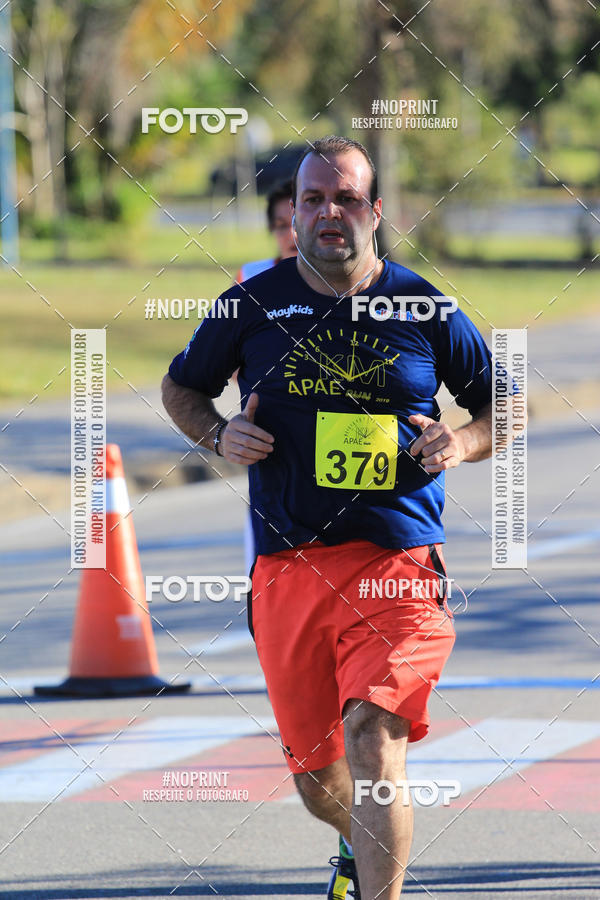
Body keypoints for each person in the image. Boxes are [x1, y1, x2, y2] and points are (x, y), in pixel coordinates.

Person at [162, 136, 493, 900]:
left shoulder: (422, 304)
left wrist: (465, 437)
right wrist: (218, 434)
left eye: (346, 198)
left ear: (375, 212)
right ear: (294, 214)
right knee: (319, 782)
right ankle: (359, 842)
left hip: (397, 564)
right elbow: (182, 388)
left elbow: (503, 402)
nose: (329, 213)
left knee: (373, 739)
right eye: (314, 200)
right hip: (289, 568)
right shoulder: (251, 303)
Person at [235, 180, 297, 574]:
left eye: (297, 219)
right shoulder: (253, 278)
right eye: (280, 225)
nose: (290, 233)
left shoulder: (353, 278)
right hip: (271, 446)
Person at [236, 179, 296, 283]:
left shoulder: (331, 280)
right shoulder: (249, 276)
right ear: (271, 228)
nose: (292, 234)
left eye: (298, 223)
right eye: (282, 226)